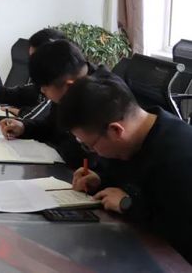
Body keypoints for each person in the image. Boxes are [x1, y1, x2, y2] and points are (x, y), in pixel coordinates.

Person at [59, 76, 192, 264]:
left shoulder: (180, 158)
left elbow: (180, 234)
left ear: (116, 130)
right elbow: (129, 182)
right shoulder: (131, 142)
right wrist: (100, 181)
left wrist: (128, 205)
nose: (94, 152)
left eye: (90, 145)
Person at [0, 39, 116, 168]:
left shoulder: (105, 96)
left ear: (69, 85)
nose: (42, 92)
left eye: (44, 88)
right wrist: (24, 128)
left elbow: (94, 157)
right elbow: (52, 126)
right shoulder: (67, 86)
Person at [0, 28, 67, 115]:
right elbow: (21, 93)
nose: (31, 64)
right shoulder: (44, 81)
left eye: (35, 59)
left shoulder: (63, 88)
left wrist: (17, 112)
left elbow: (43, 117)